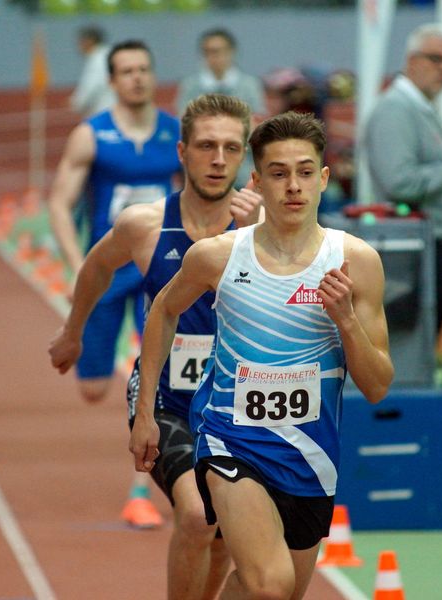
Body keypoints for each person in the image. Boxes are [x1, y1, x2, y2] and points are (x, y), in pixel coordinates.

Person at [130, 111, 393, 599]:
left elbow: (377, 385)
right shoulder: (219, 255)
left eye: (305, 172)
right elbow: (163, 311)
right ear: (257, 180)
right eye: (278, 173)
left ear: (324, 179)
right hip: (231, 442)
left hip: (311, 455)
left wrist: (347, 321)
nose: (293, 186)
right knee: (269, 585)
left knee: (278, 591)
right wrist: (145, 413)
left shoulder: (356, 262)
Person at [49, 93, 263, 599]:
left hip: (237, 402)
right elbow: (97, 268)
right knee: (195, 515)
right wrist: (72, 332)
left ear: (244, 157)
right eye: (207, 146)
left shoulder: (265, 230)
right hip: (167, 398)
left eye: (232, 148)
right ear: (182, 152)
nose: (218, 159)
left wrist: (255, 234)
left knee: (222, 534)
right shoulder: (144, 225)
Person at [48, 39, 182, 528]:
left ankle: (145, 484)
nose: (138, 78)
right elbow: (60, 202)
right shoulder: (92, 136)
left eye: (144, 69)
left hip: (159, 272)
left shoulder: (177, 134)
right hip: (106, 270)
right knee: (92, 387)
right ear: (111, 80)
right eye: (127, 71)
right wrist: (76, 262)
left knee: (155, 372)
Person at [364, 23, 442, 331]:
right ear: (412, 60)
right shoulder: (396, 110)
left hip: (435, 245)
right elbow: (400, 181)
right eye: (436, 59)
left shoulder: (417, 107)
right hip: (421, 251)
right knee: (412, 346)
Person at [177, 28, 265, 188]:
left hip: (243, 171)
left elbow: (257, 128)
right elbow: (185, 127)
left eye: (218, 51)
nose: (214, 57)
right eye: (208, 52)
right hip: (203, 170)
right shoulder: (190, 87)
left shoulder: (249, 86)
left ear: (232, 52)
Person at [70, 26, 116, 118]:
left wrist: (77, 103)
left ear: (89, 41)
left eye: (80, 42)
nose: (78, 46)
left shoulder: (97, 59)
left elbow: (91, 85)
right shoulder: (110, 54)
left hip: (104, 111)